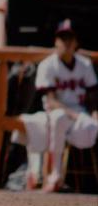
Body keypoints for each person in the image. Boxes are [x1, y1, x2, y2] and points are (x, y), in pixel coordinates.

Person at [12, 20, 98, 192]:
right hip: (55, 112)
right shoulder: (47, 64)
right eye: (62, 39)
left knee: (93, 125)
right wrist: (74, 115)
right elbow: (51, 101)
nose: (66, 43)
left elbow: (93, 95)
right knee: (58, 119)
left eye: (69, 39)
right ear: (56, 42)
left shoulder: (85, 64)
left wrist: (95, 113)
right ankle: (55, 175)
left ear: (76, 43)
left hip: (80, 113)